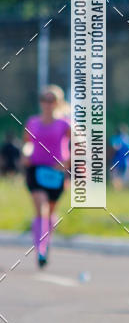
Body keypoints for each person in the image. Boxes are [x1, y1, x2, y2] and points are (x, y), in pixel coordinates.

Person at [22, 85, 70, 267]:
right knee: (41, 208)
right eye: (44, 99)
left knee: (50, 212)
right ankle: (40, 250)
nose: (48, 103)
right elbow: (27, 143)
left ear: (58, 102)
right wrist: (25, 154)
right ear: (40, 102)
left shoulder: (65, 124)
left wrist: (67, 162)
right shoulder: (32, 122)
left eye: (52, 100)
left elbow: (80, 147)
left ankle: (46, 240)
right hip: (35, 169)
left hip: (56, 172)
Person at [109, 124, 129, 189]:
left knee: (116, 177)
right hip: (128, 161)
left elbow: (114, 148)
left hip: (118, 160)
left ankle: (118, 190)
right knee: (125, 179)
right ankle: (123, 190)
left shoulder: (115, 138)